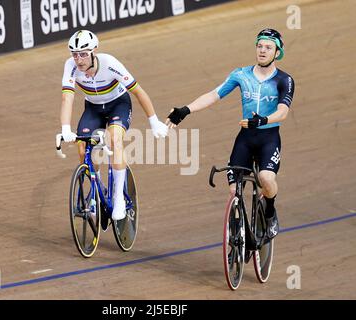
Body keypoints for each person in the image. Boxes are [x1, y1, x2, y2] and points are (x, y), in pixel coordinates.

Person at [166, 28, 295, 239]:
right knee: (234, 190)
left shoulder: (284, 80)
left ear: (277, 52)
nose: (262, 50)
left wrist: (263, 120)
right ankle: (238, 233)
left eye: (268, 47)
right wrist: (186, 110)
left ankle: (270, 210)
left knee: (265, 177)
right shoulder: (241, 75)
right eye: (260, 46)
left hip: (268, 138)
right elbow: (214, 95)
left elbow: (283, 112)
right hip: (245, 138)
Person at [60, 30, 168, 221]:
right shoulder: (70, 66)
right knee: (82, 145)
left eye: (83, 53)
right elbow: (67, 97)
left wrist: (154, 121)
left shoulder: (110, 64)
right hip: (93, 108)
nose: (79, 59)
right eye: (75, 54)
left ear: (94, 51)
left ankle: (118, 196)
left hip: (118, 104)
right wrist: (65, 128)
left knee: (114, 139)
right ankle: (96, 189)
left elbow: (138, 91)